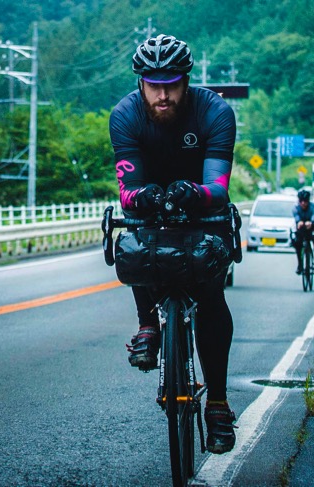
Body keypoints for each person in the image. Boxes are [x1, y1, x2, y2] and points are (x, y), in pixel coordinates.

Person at [109, 34, 237, 454]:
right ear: (140, 82)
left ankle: (217, 404)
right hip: (150, 206)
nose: (162, 94)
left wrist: (195, 194)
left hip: (202, 207)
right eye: (153, 84)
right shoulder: (125, 115)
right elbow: (127, 190)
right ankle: (148, 324)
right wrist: (140, 196)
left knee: (211, 297)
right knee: (135, 243)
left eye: (172, 84)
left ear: (186, 81)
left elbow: (218, 185)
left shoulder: (215, 111)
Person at [292, 189, 314, 277]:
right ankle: (300, 264)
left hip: (313, 227)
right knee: (297, 243)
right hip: (301, 227)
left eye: (305, 201)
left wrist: (312, 222)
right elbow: (296, 215)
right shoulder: (296, 208)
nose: (303, 203)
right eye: (301, 201)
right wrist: (299, 222)